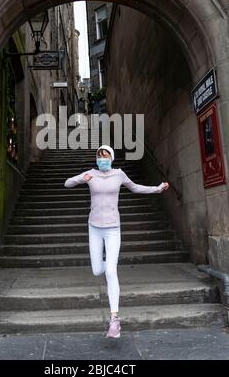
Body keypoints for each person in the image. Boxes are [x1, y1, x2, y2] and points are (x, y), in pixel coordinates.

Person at [64, 145, 170, 339]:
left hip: (113, 228)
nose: (102, 159)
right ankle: (109, 265)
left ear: (111, 158)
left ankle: (115, 319)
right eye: (99, 156)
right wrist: (81, 179)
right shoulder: (90, 173)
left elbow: (135, 187)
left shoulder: (119, 174)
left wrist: (157, 189)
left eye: (105, 156)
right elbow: (67, 183)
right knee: (98, 270)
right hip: (94, 227)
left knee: (111, 271)